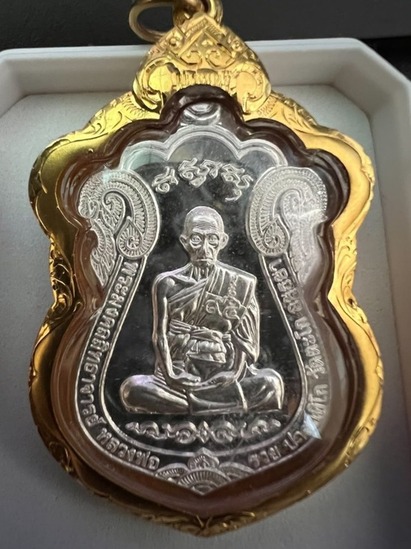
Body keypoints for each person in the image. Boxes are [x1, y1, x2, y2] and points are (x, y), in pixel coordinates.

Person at [120, 206, 284, 415]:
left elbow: (245, 341)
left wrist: (233, 373)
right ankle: (220, 406)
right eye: (197, 239)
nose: (205, 248)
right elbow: (159, 335)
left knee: (271, 383)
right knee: (132, 389)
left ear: (223, 241)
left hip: (222, 375)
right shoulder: (168, 283)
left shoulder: (241, 283)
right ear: (185, 241)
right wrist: (171, 376)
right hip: (179, 373)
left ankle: (193, 406)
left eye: (212, 240)